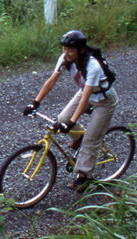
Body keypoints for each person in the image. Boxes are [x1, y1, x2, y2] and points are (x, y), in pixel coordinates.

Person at [22, 30, 118, 191]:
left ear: (81, 50)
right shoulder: (65, 58)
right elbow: (51, 81)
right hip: (85, 92)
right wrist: (35, 102)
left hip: (103, 101)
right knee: (61, 119)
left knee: (90, 140)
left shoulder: (92, 66)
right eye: (64, 49)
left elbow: (86, 97)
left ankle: (85, 176)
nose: (66, 53)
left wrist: (72, 122)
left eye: (70, 50)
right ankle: (79, 138)